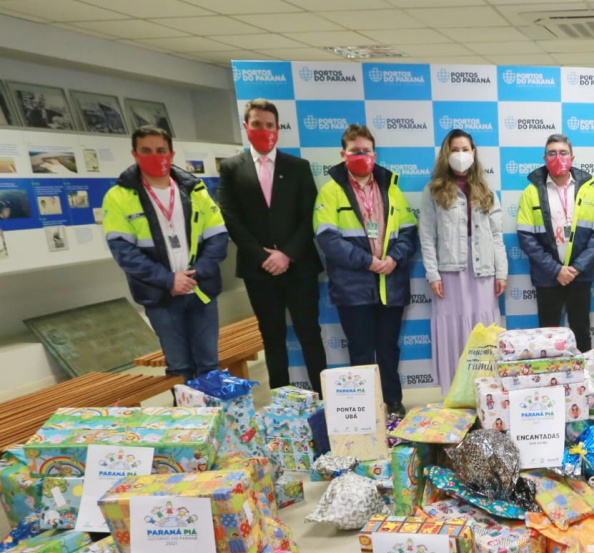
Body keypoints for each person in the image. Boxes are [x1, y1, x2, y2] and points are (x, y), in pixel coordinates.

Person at [102, 125, 228, 381]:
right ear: (134, 154)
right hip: (161, 296)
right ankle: (184, 420)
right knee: (179, 369)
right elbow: (124, 252)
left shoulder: (195, 190)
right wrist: (169, 280)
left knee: (209, 365)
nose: (155, 156)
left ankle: (213, 420)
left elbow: (218, 237)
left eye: (161, 150)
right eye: (146, 151)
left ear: (171, 154)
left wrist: (198, 272)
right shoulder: (118, 196)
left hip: (201, 290)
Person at [219, 98, 327, 391]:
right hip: (258, 270)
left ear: (277, 129)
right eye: (257, 124)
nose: (264, 130)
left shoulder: (298, 167)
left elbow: (309, 216)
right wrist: (262, 256)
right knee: (272, 337)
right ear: (246, 127)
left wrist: (287, 254)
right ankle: (281, 403)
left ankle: (323, 399)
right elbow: (231, 217)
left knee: (309, 334)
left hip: (300, 265)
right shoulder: (231, 168)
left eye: (269, 125)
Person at [314, 124, 417, 418]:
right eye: (355, 151)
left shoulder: (391, 188)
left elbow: (409, 233)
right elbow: (327, 239)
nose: (362, 156)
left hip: (390, 284)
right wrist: (368, 261)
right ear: (343, 154)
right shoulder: (331, 190)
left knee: (388, 348)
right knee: (360, 352)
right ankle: (365, 409)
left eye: (366, 151)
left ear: (374, 153)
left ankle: (393, 402)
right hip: (352, 287)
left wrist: (393, 259)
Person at [420, 129, 507, 394]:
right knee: (454, 332)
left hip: (482, 271)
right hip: (450, 272)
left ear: (473, 153)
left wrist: (501, 271)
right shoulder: (433, 190)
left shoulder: (485, 190)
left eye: (465, 149)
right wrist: (433, 274)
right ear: (447, 154)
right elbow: (426, 235)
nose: (460, 154)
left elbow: (496, 235)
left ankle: (487, 393)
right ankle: (452, 394)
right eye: (455, 149)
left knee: (483, 333)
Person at [516, 134, 594, 352]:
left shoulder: (589, 190)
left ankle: (584, 383)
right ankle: (550, 384)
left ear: (572, 157)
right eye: (552, 153)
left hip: (580, 276)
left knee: (581, 333)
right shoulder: (531, 192)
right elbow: (526, 237)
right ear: (544, 158)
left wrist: (576, 268)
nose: (558, 157)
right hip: (548, 277)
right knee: (547, 339)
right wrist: (556, 270)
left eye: (563, 153)